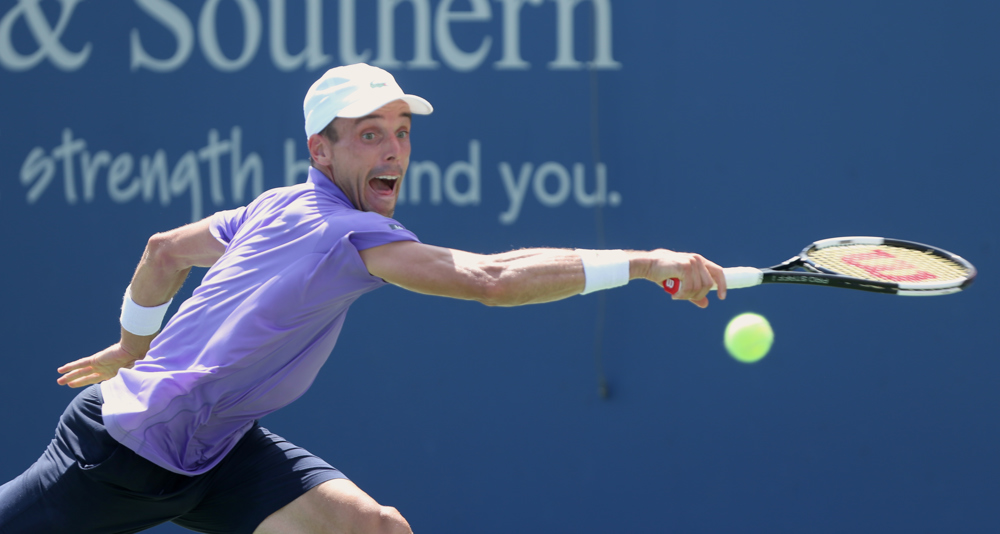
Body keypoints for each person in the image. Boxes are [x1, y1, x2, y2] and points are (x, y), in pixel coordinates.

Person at [0, 63, 727, 534]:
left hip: (216, 452)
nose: (394, 151)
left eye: (403, 133)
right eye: (370, 134)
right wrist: (643, 262)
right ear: (322, 150)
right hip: (121, 453)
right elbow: (492, 280)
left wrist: (133, 345)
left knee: (377, 531)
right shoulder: (344, 235)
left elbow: (164, 252)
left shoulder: (279, 207)